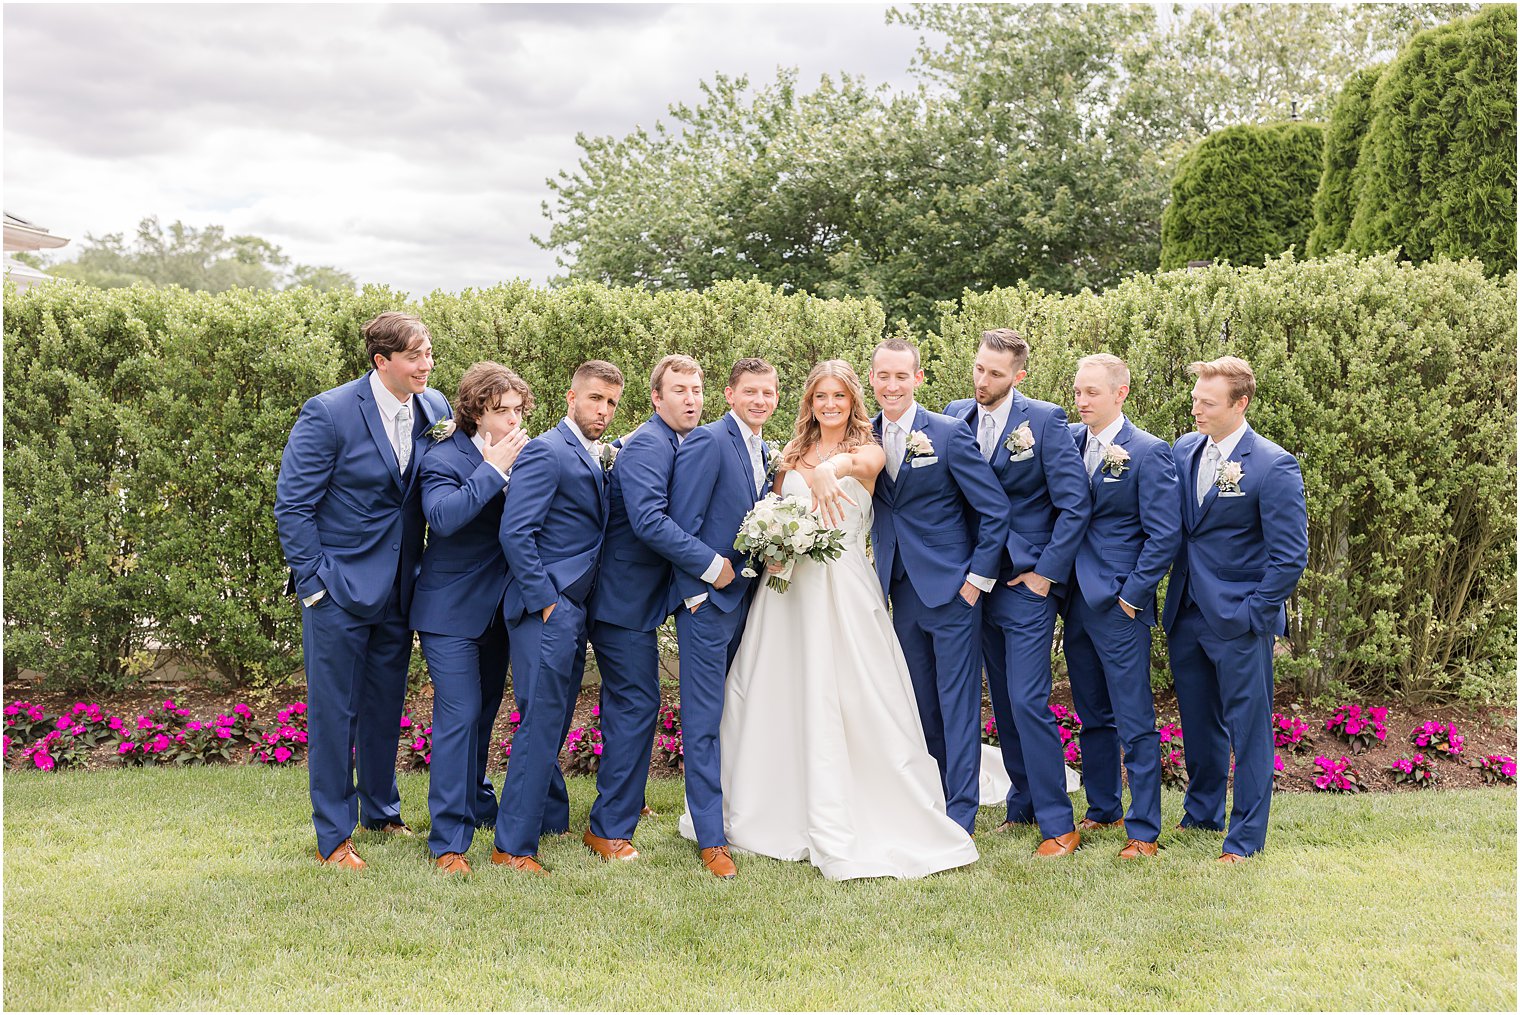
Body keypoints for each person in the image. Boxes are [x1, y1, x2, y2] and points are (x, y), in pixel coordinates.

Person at [704, 360, 979, 881]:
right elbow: (774, 507)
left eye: (839, 397)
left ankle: (866, 801)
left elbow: (860, 467)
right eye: (820, 397)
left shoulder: (870, 449)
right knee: (773, 689)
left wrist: (831, 469)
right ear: (808, 402)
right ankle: (772, 801)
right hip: (785, 593)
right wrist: (775, 544)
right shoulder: (785, 457)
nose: (830, 405)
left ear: (854, 401)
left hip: (844, 586)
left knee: (857, 694)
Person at [274, 311, 451, 869]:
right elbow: (293, 505)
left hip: (401, 587)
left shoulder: (436, 409)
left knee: (384, 705)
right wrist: (314, 583)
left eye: (428, 354)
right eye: (415, 356)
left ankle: (381, 810)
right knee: (334, 712)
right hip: (338, 588)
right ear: (382, 362)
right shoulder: (328, 413)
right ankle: (334, 835)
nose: (427, 365)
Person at [945, 328, 1091, 857]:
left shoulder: (1046, 420)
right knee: (1003, 703)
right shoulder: (955, 413)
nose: (983, 381)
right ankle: (1022, 803)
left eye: (996, 374)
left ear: (1018, 377)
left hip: (1027, 586)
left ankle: (1059, 823)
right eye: (980, 369)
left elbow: (1075, 505)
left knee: (1029, 701)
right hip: (974, 584)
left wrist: (1045, 574)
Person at [1162, 356, 1307, 863]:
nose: (1195, 408)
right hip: (1185, 611)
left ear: (1239, 404)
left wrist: (1254, 613)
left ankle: (1244, 838)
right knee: (1198, 721)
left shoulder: (1272, 464)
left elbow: (1290, 556)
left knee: (1248, 729)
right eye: (1196, 398)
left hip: (1240, 620)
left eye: (1207, 402)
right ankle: (1201, 812)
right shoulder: (1184, 450)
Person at [868, 338, 1008, 837]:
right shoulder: (864, 436)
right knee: (921, 702)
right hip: (899, 589)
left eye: (901, 376)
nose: (891, 385)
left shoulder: (947, 434)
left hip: (952, 590)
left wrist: (976, 581)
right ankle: (933, 795)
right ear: (872, 379)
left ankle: (962, 812)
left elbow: (994, 509)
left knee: (958, 704)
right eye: (883, 376)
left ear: (918, 379)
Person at [583, 355, 716, 862]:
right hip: (621, 599)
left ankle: (627, 802)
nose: (691, 399)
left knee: (633, 704)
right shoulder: (645, 446)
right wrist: (709, 565)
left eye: (697, 389)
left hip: (640, 598)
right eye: (679, 390)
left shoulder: (677, 442)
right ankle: (608, 829)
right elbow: (648, 521)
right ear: (657, 398)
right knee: (636, 705)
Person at [493, 360, 624, 875]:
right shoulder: (547, 451)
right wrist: (546, 601)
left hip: (574, 610)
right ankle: (513, 847)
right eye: (595, 399)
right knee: (540, 726)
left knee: (552, 720)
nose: (604, 411)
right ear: (572, 397)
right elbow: (515, 532)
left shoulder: (590, 454)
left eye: (612, 403)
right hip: (545, 610)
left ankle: (547, 819)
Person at [410, 362, 531, 875]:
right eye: (500, 410)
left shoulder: (525, 454)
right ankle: (448, 843)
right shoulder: (443, 457)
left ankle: (479, 805)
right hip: (449, 612)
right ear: (477, 409)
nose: (511, 420)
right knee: (457, 718)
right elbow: (443, 517)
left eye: (517, 411)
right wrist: (493, 470)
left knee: (483, 718)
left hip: (501, 611)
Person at [1062, 353, 1181, 859]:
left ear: (1120, 394)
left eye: (1092, 392)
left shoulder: (1149, 452)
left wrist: (1133, 596)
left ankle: (1144, 831)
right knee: (1091, 713)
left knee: (1134, 719)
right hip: (1073, 600)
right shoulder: (1067, 441)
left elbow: (1164, 533)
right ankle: (1104, 806)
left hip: (1118, 603)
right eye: (1077, 391)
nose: (1082, 401)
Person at [668, 358, 778, 878]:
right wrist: (696, 593)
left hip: (750, 604)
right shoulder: (709, 441)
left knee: (739, 716)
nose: (760, 400)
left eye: (769, 392)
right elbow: (676, 524)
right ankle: (711, 837)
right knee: (704, 721)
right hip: (709, 607)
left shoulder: (763, 449)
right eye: (750, 391)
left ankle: (739, 813)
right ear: (730, 395)